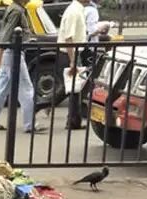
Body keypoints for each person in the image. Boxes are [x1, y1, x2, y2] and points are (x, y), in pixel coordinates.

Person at [0, 0, 44, 133]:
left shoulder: (14, 8)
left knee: (1, 88)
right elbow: (7, 33)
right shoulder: (17, 10)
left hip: (9, 53)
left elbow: (5, 32)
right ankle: (30, 124)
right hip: (12, 53)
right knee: (25, 88)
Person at [58, 0, 88, 130]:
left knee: (75, 89)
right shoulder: (73, 11)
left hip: (74, 53)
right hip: (70, 53)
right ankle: (73, 121)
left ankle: (74, 121)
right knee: (73, 89)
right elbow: (68, 38)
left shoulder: (77, 9)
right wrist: (73, 60)